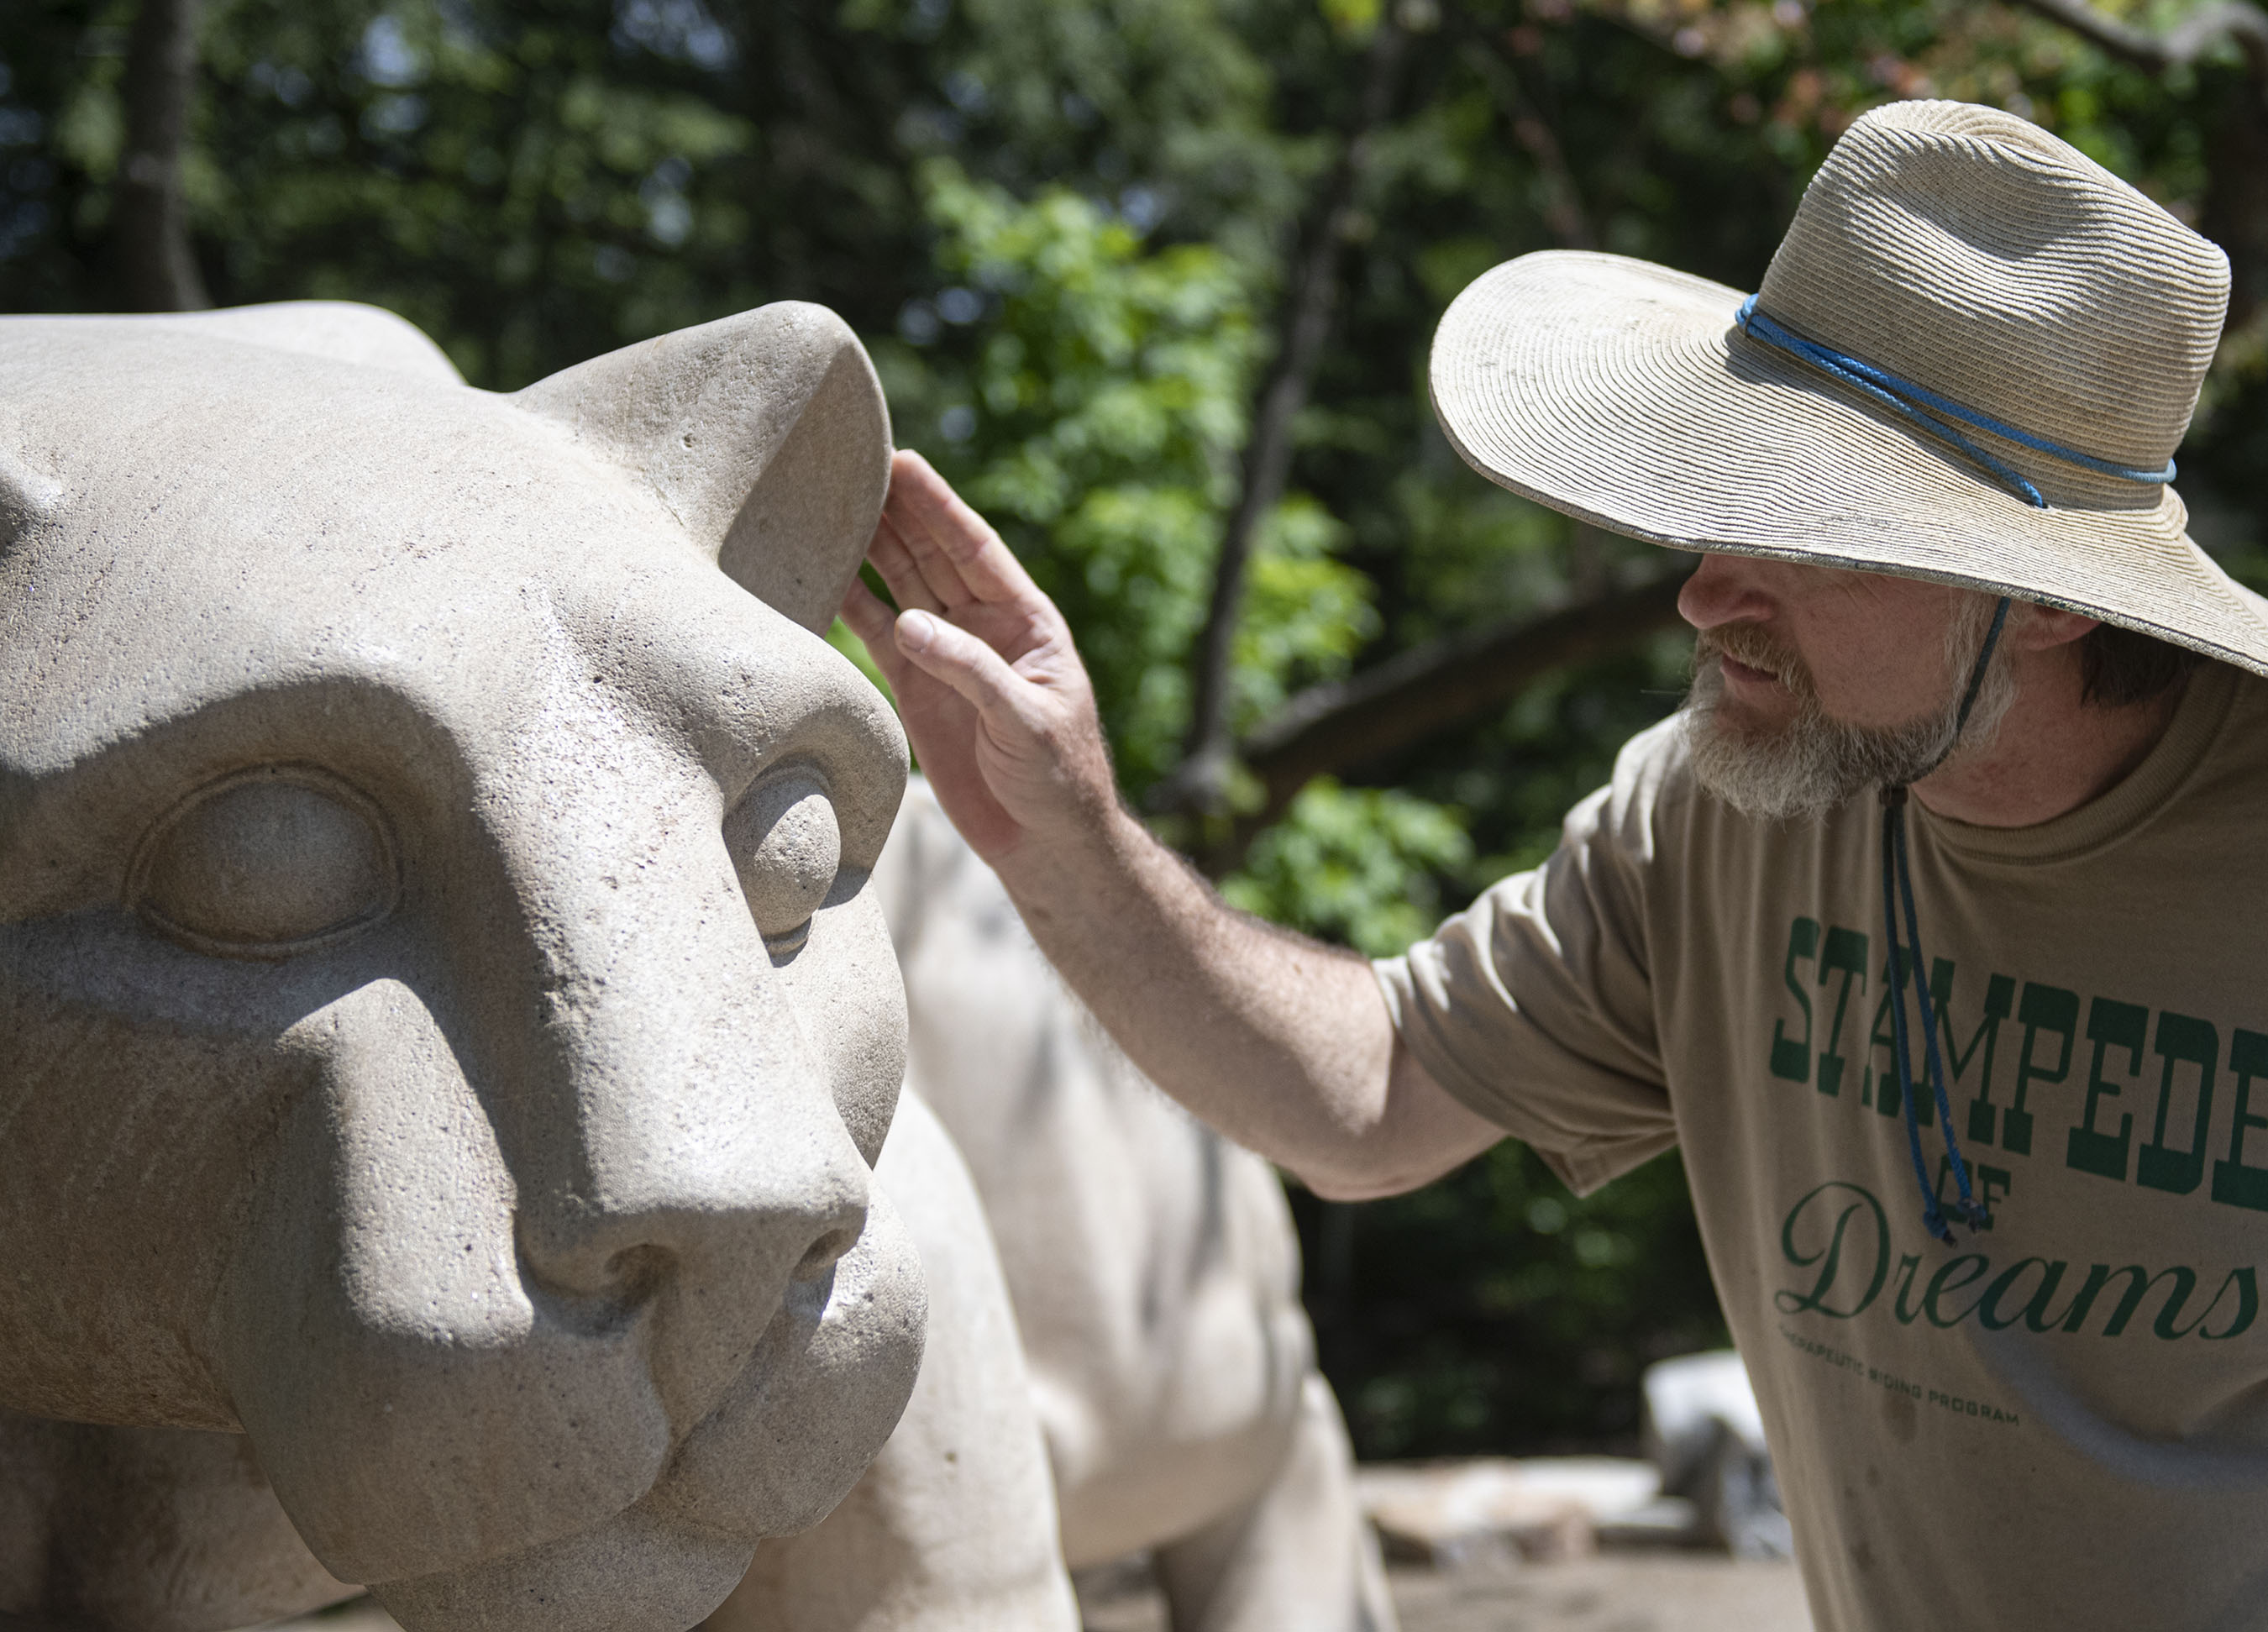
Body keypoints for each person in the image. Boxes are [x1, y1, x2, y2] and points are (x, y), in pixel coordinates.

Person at [839, 98, 2268, 1631]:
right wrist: (1068, 840)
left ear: (2048, 599)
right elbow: (1368, 1101)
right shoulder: (1723, 811)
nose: (1707, 591)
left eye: (1820, 533)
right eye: (1732, 502)